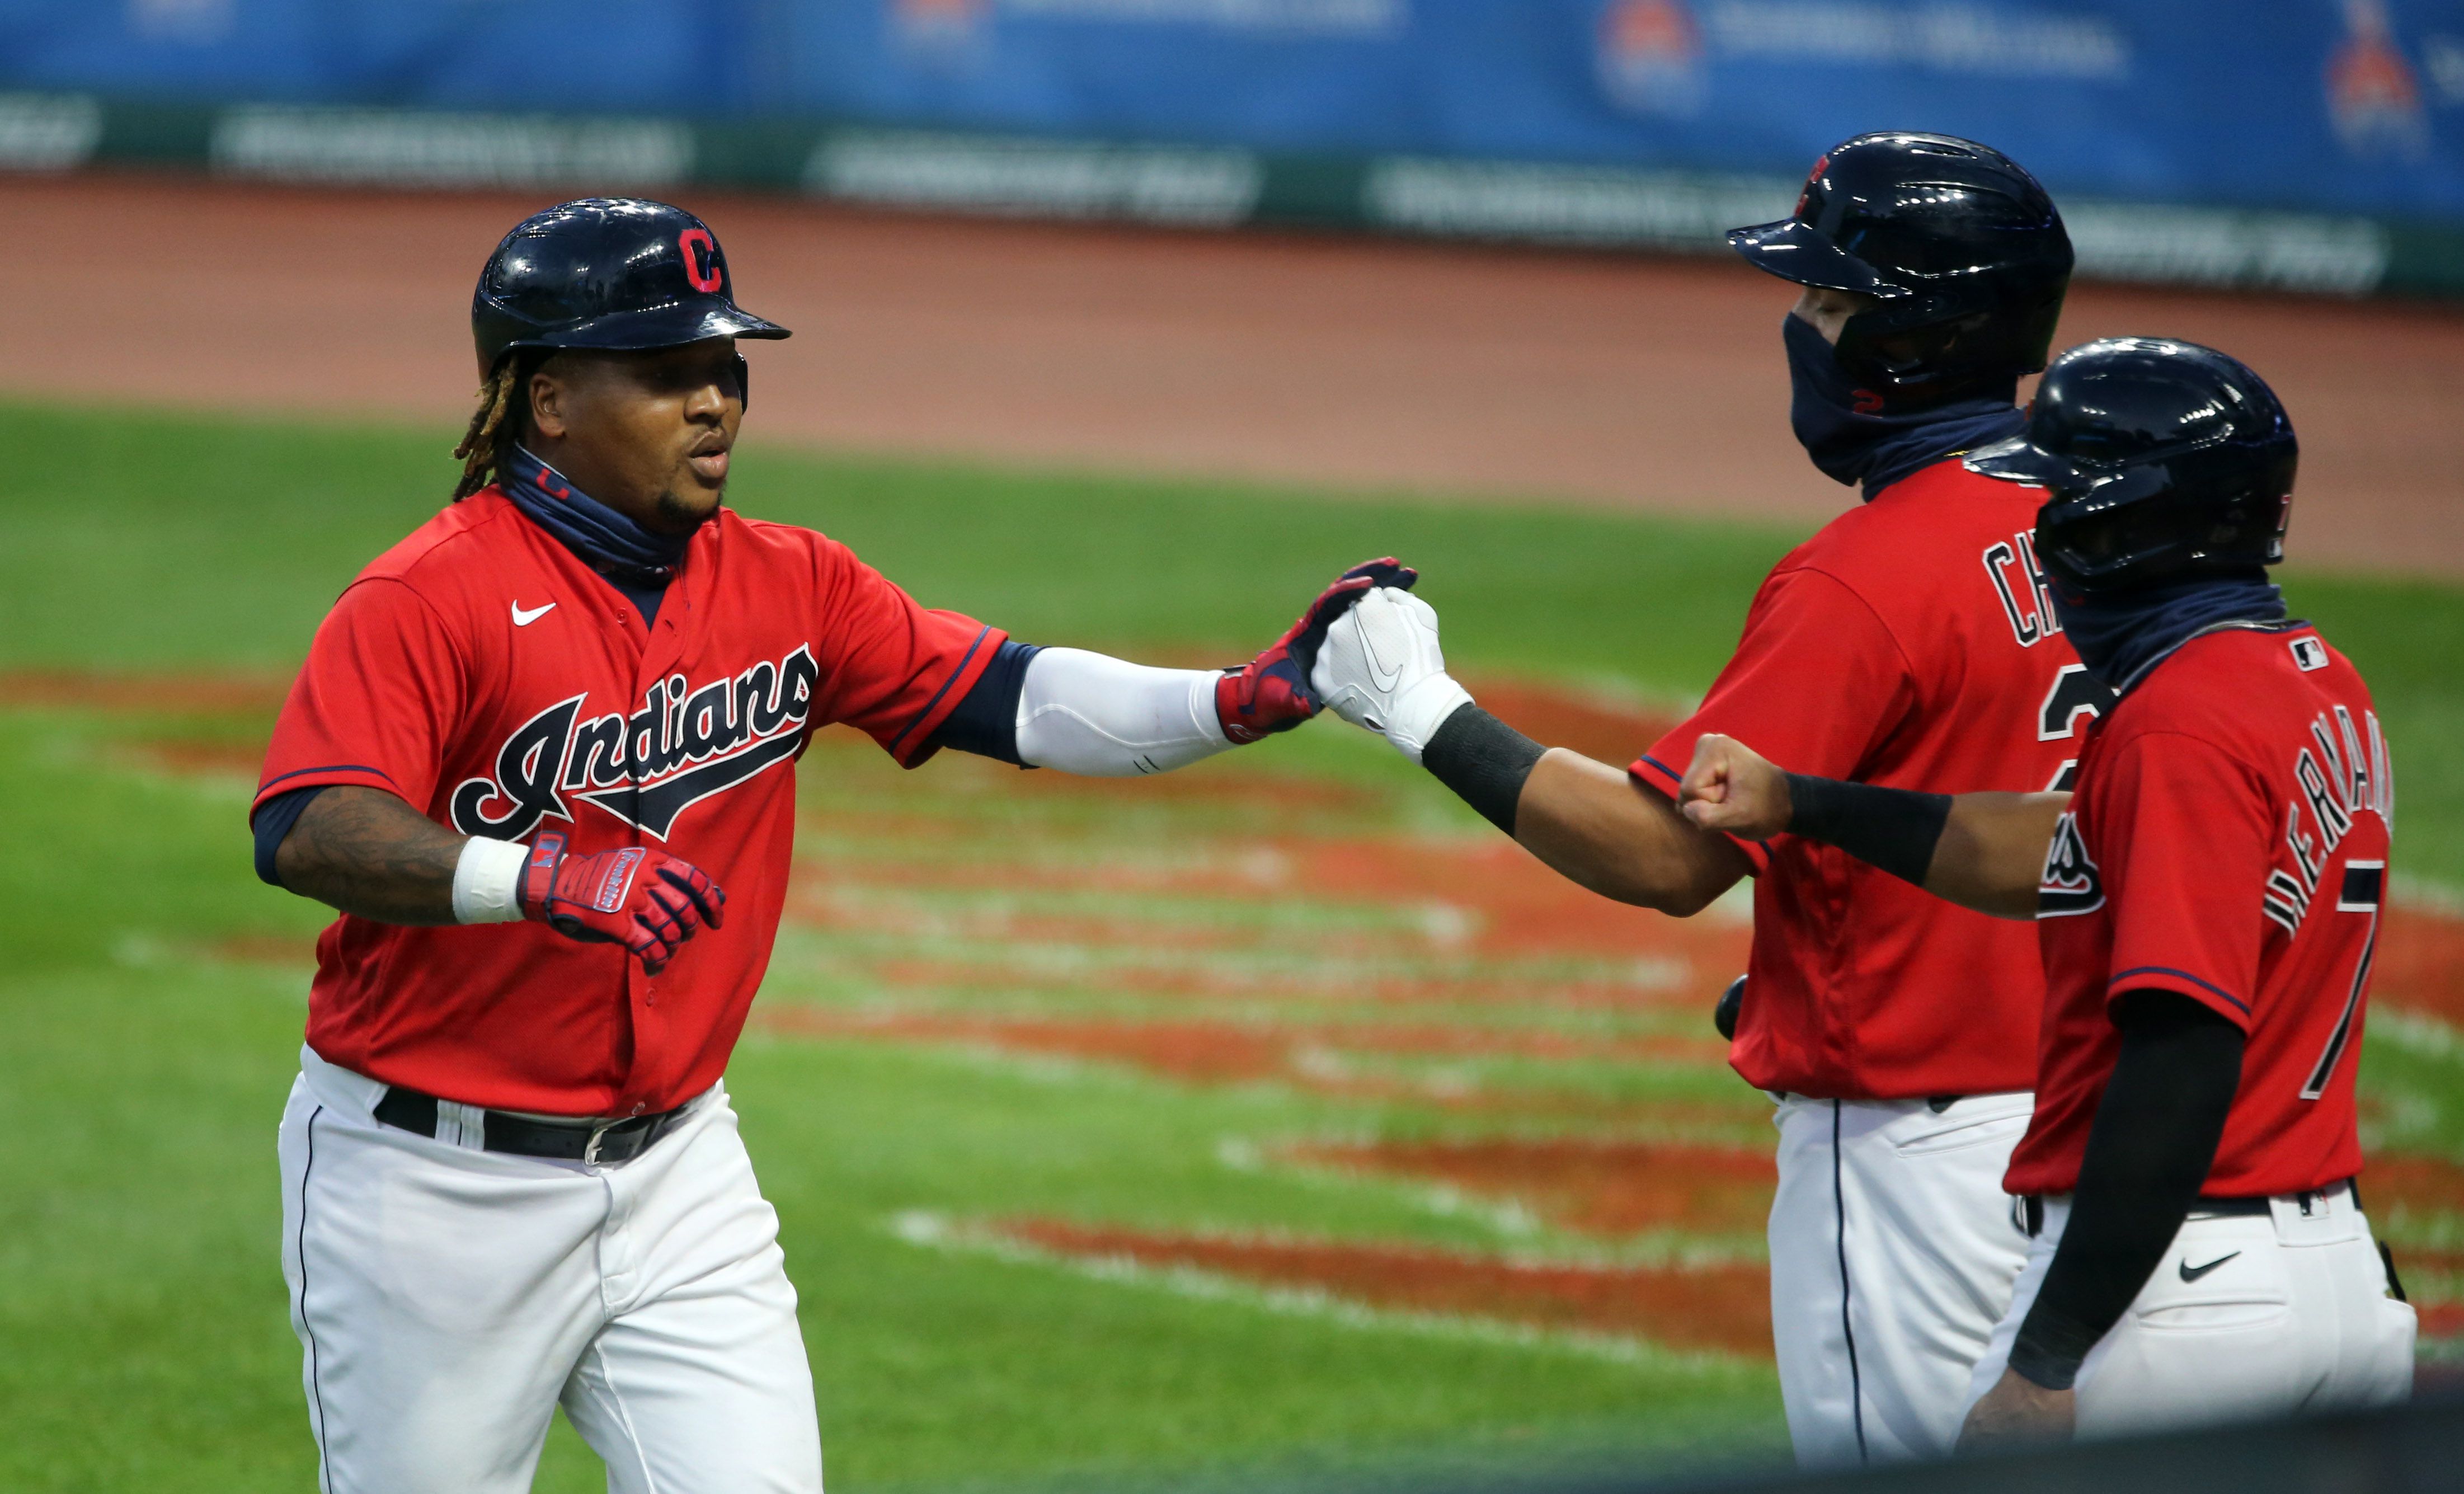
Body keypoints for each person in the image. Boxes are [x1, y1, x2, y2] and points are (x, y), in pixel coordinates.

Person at [248, 196, 1408, 1494]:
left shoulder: (791, 582)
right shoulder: (429, 594)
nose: (715, 404)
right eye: (667, 372)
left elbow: (1015, 697)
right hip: (428, 1191)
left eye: (725, 368)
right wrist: (542, 874)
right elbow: (308, 826)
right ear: (548, 399)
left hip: (681, 1174)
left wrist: (1232, 700)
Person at [1308, 133, 2092, 1466]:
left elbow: (1671, 855)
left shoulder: (1870, 576)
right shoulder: (2115, 521)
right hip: (2128, 1135)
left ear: (1914, 334)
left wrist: (1415, 706)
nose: (1801, 328)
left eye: (1831, 302)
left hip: (1925, 1164)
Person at [1676, 337, 2416, 1445]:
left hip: (2181, 1299)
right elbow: (2057, 850)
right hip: (2334, 1272)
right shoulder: (2313, 681)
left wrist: (2047, 1359)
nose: (2042, 535)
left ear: (2130, 527)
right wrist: (1805, 804)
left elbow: (2180, 1053)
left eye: (2060, 503)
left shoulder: (2178, 728)